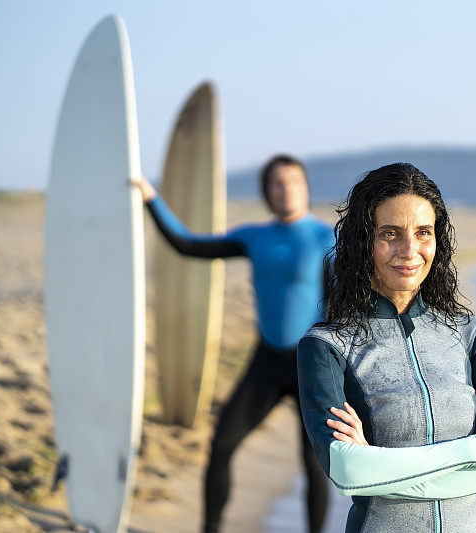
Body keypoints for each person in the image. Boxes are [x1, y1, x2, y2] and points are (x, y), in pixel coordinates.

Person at [296, 163, 476, 532]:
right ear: (363, 241)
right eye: (390, 233)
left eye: (423, 232)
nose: (410, 250)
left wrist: (378, 463)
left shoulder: (473, 337)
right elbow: (347, 472)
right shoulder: (326, 346)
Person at [129, 154, 333, 533]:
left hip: (313, 364)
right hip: (266, 361)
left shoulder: (326, 238)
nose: (285, 189)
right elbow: (187, 245)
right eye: (277, 182)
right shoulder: (254, 237)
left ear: (305, 188)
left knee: (312, 461)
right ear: (266, 192)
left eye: (293, 181)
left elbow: (348, 304)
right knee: (222, 444)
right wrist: (149, 198)